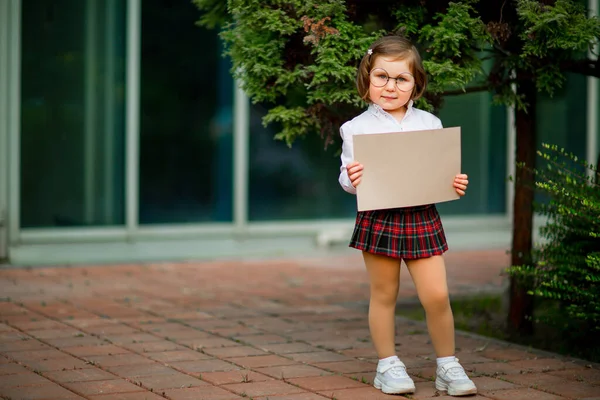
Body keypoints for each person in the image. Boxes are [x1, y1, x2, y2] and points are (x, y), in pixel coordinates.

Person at [338, 35, 477, 397]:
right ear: (367, 79)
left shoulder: (430, 123)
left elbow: (440, 173)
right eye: (381, 76)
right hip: (379, 217)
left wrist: (454, 182)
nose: (390, 86)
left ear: (416, 85)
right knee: (384, 294)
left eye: (401, 79)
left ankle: (447, 365)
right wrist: (351, 179)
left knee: (437, 295)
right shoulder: (356, 128)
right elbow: (346, 177)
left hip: (421, 216)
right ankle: (387, 365)